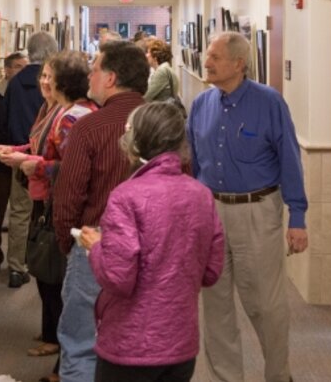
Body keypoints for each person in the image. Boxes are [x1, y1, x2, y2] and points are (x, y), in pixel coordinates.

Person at [188, 31, 308, 382]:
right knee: (216, 306)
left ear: (238, 64)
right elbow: (194, 164)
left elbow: (290, 159)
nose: (206, 62)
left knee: (266, 306)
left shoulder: (269, 103)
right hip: (212, 212)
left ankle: (278, 375)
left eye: (214, 57)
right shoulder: (200, 104)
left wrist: (297, 217)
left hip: (257, 211)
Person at [79, 102, 225, 382]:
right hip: (180, 343)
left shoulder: (126, 196)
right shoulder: (201, 195)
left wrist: (96, 247)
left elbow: (118, 276)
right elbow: (211, 271)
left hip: (130, 344)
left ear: (133, 143)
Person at [52, 41, 149, 382]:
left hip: (96, 243)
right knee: (142, 343)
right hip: (152, 247)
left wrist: (68, 240)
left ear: (110, 78)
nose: (89, 75)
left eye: (94, 69)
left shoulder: (90, 127)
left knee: (81, 342)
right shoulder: (164, 124)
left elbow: (68, 195)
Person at [17, 51, 98, 382]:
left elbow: (70, 168)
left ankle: (64, 366)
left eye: (50, 75)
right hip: (50, 201)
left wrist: (36, 165)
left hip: (61, 206)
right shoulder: (56, 111)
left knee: (62, 283)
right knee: (54, 279)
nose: (44, 81)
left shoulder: (72, 117)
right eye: (42, 75)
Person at [3, 31, 59, 288]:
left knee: (19, 212)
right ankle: (43, 263)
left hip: (20, 155)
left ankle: (16, 267)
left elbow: (8, 119)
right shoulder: (51, 83)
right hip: (43, 159)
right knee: (46, 214)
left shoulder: (14, 83)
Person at [0, 52, 29, 274]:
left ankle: (17, 262)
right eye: (18, 67)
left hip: (22, 163)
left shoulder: (31, 94)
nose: (23, 71)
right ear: (7, 70)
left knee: (21, 213)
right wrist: (11, 145)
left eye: (25, 67)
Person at [143, 38, 179, 102]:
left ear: (155, 57)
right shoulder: (165, 68)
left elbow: (147, 96)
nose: (146, 55)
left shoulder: (162, 71)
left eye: (148, 52)